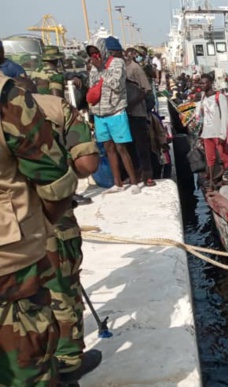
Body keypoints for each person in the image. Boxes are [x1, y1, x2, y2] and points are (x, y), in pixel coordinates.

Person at [0, 75, 77, 386]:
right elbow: (56, 183)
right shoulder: (9, 98)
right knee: (27, 374)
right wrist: (41, 226)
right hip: (11, 267)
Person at [27, 82, 104, 383]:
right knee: (62, 289)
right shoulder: (53, 107)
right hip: (51, 220)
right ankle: (69, 361)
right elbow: (87, 163)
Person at [89, 37, 140, 194]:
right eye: (91, 53)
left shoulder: (117, 63)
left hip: (116, 112)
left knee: (121, 148)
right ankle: (117, 183)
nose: (94, 55)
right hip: (100, 114)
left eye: (96, 51)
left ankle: (134, 183)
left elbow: (117, 85)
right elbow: (92, 86)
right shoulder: (93, 67)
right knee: (108, 148)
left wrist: (102, 69)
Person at [195, 73, 228, 191]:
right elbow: (203, 115)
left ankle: (226, 179)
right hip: (207, 133)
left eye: (204, 83)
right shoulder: (203, 97)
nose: (202, 85)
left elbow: (225, 116)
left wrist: (223, 134)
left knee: (223, 156)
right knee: (210, 158)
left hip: (217, 133)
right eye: (200, 83)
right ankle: (211, 181)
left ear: (210, 83)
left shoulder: (219, 97)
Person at [125, 47, 156, 187]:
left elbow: (146, 89)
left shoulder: (135, 68)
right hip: (125, 114)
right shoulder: (120, 69)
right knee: (129, 146)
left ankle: (147, 175)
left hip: (137, 112)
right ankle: (135, 174)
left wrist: (133, 103)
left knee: (142, 145)